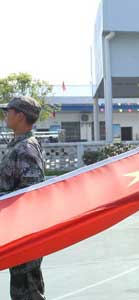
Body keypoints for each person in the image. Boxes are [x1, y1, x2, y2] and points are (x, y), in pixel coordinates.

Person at [0, 96, 45, 300]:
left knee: (28, 292)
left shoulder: (25, 147)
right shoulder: (17, 144)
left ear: (20, 116)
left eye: (8, 111)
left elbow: (31, 194)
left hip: (24, 232)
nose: (5, 114)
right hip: (15, 229)